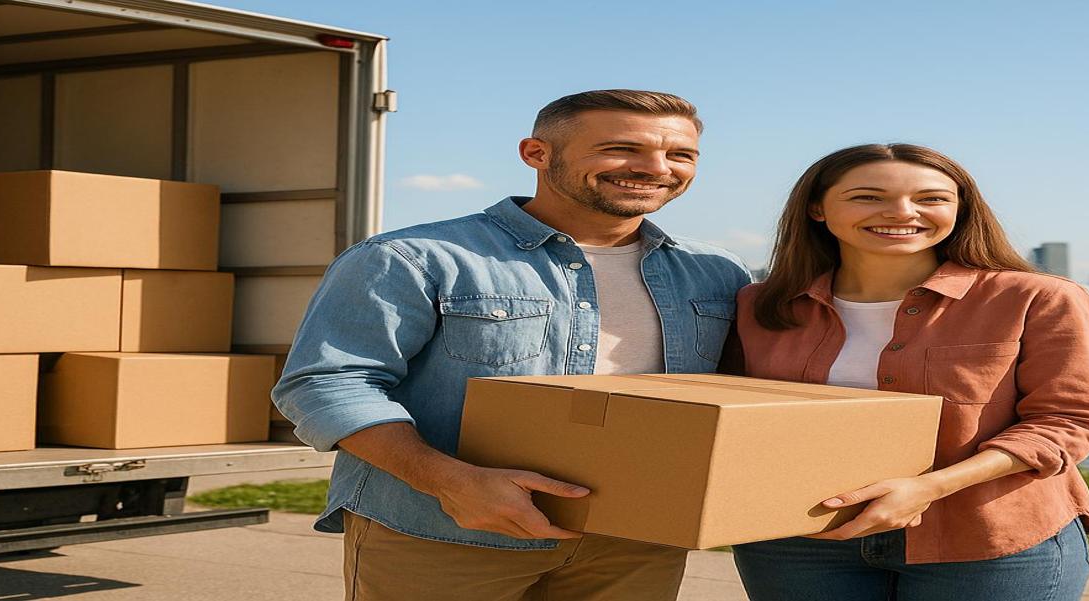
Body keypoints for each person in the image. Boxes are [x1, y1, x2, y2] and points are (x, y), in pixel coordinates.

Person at [274, 89, 751, 601]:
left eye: (680, 155)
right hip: (447, 531)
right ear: (536, 154)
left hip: (636, 540)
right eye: (621, 148)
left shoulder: (715, 273)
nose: (655, 167)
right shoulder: (412, 257)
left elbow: (745, 397)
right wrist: (451, 483)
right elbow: (326, 383)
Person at [725, 143, 1089, 600]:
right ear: (817, 208)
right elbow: (731, 415)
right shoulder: (759, 305)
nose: (902, 212)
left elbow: (1069, 421)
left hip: (987, 540)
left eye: (932, 198)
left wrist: (930, 487)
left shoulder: (1037, 298)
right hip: (798, 539)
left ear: (960, 209)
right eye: (867, 197)